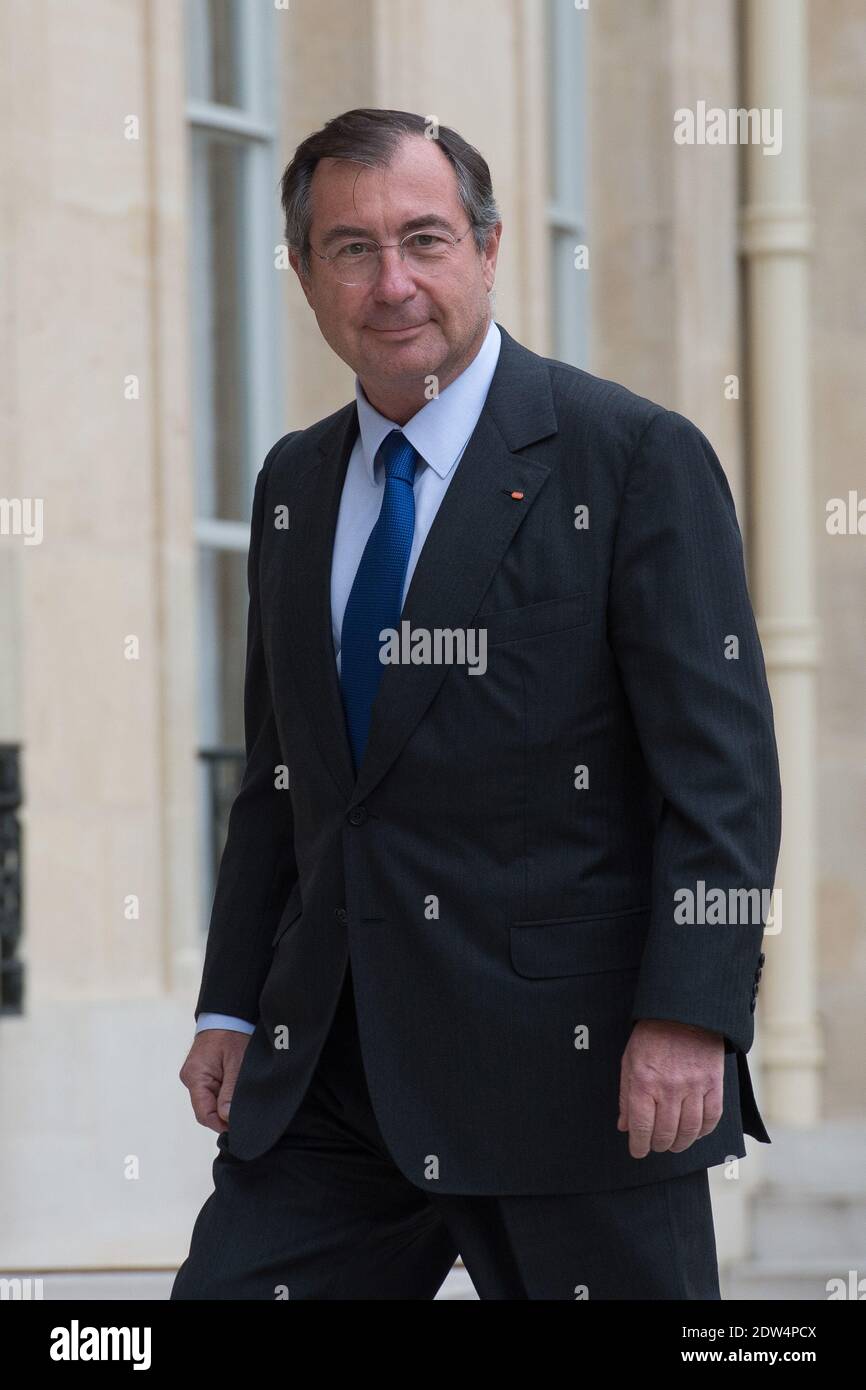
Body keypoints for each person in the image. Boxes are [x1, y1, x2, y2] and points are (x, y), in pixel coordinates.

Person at [171, 108, 781, 1301]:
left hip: (576, 1076)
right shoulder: (295, 480)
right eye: (350, 248)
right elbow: (281, 779)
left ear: (488, 249)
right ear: (301, 274)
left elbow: (719, 776)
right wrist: (234, 1003)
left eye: (424, 239)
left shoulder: (629, 458)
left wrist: (691, 1014)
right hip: (335, 1081)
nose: (392, 282)